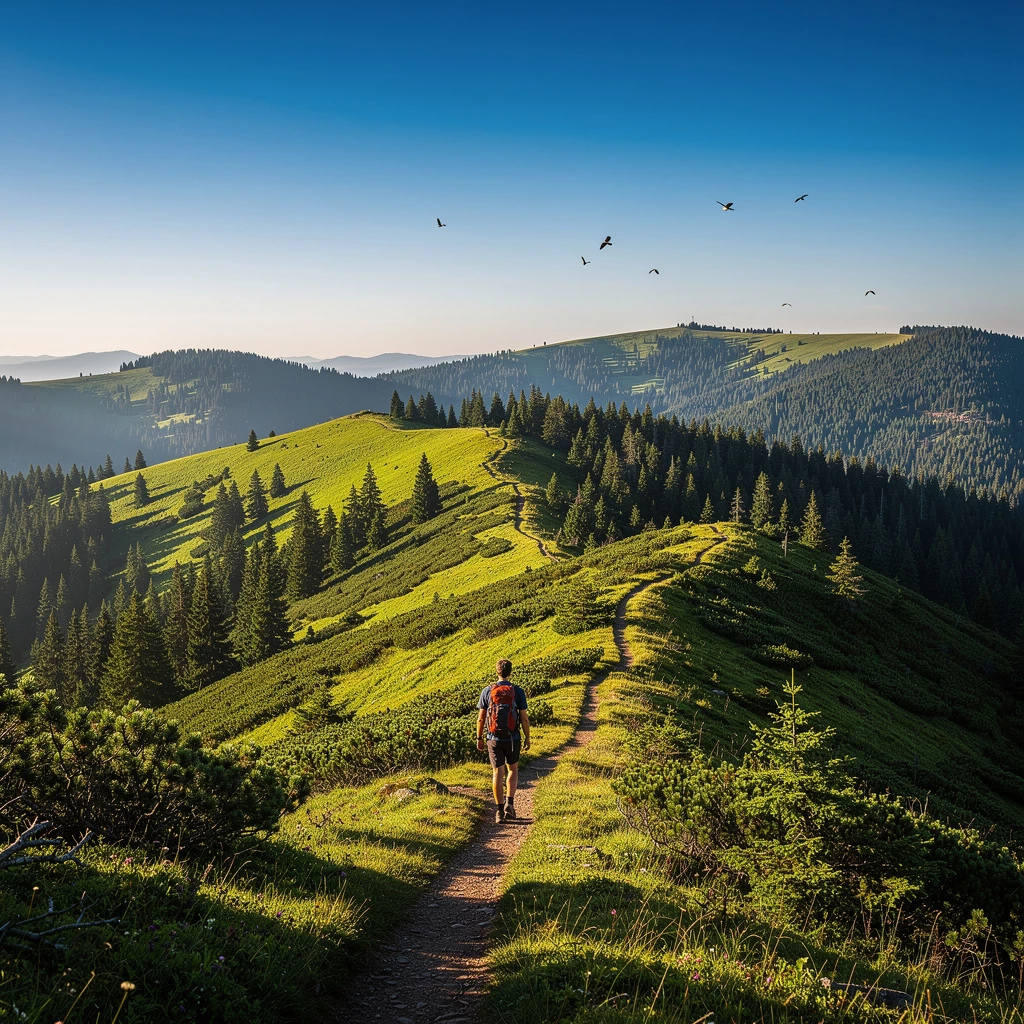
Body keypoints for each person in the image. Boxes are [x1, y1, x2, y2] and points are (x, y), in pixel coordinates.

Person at [477, 658, 530, 823]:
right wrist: (527, 737)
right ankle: (510, 804)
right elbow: (524, 718)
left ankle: (499, 811)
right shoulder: (517, 691)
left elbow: (481, 718)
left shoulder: (487, 691)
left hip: (493, 738)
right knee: (512, 770)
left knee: (497, 773)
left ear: (497, 671)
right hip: (513, 738)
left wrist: (479, 737)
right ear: (510, 672)